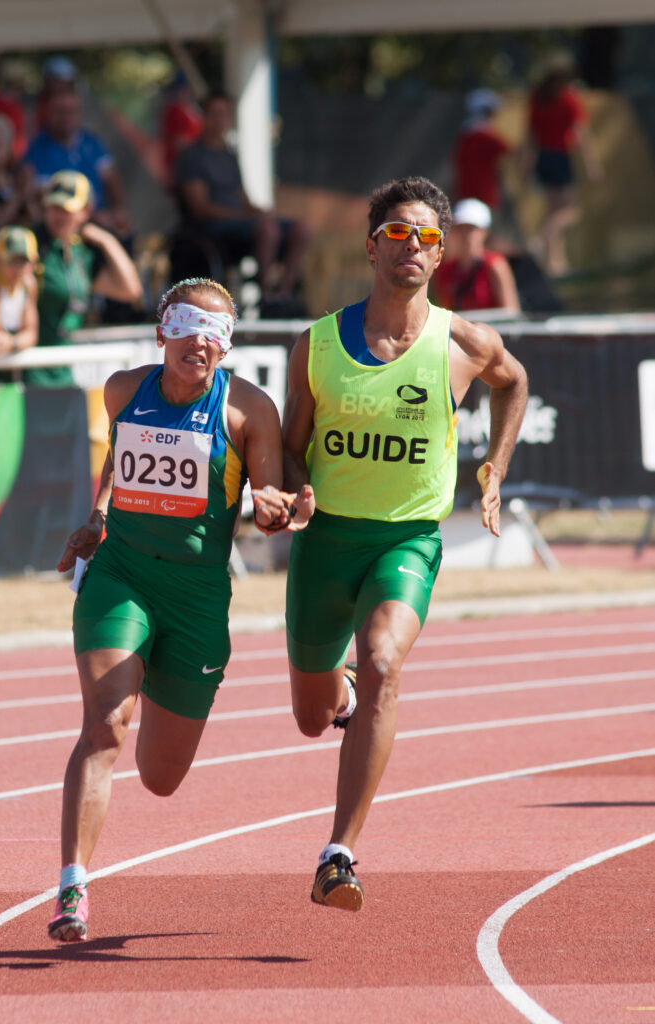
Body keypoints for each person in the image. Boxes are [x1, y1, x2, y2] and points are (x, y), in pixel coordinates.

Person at [280, 175, 528, 911]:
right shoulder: (316, 344)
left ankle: (338, 853)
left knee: (384, 658)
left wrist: (493, 469)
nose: (411, 247)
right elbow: (292, 447)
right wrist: (296, 488)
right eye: (397, 233)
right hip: (325, 544)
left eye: (426, 237)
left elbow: (512, 382)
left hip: (407, 540)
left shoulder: (463, 340)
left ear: (441, 252)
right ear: (370, 246)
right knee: (310, 714)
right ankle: (342, 690)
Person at [48, 276, 313, 942]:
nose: (201, 339)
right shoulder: (122, 389)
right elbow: (116, 459)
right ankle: (72, 886)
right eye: (189, 322)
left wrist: (270, 509)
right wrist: (96, 518)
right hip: (120, 576)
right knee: (106, 723)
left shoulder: (246, 410)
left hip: (196, 598)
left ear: (227, 345)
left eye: (217, 329)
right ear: (163, 327)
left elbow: (268, 494)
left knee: (162, 778)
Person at [173, 91, 310, 305]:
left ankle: (284, 294)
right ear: (204, 117)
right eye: (215, 114)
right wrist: (245, 215)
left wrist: (259, 211)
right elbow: (200, 208)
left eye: (225, 114)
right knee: (267, 229)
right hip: (211, 229)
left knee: (300, 229)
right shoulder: (191, 156)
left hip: (241, 224)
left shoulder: (229, 155)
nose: (221, 120)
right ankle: (266, 297)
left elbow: (242, 197)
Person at [27, 169, 142, 387]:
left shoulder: (82, 254)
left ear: (86, 211)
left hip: (64, 369)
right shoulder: (30, 245)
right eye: (53, 207)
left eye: (66, 208)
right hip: (26, 368)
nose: (58, 215)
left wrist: (106, 240)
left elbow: (130, 290)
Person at [524, 52, 602, 275]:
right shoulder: (568, 98)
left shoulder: (538, 97)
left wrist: (527, 166)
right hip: (558, 157)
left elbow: (531, 135)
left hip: (543, 158)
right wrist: (592, 165)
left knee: (554, 210)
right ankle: (543, 239)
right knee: (570, 211)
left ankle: (557, 262)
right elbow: (581, 134)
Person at [24, 90, 130, 237]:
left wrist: (117, 210)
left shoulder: (92, 143)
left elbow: (112, 178)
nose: (66, 117)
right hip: (61, 227)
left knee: (125, 234)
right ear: (49, 113)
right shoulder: (35, 150)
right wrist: (89, 217)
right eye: (60, 111)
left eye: (71, 111)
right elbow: (34, 197)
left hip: (99, 220)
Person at [432, 198, 520, 314]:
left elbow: (511, 312)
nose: (465, 235)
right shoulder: (444, 269)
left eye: (471, 229)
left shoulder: (495, 265)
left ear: (484, 232)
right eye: (460, 229)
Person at [0, 226, 39, 365]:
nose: (18, 268)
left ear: (33, 263)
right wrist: (18, 342)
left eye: (23, 260)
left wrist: (12, 343)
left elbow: (32, 335)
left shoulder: (29, 285)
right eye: (12, 260)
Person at [0, 114, 40, 251]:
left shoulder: (17, 175)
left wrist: (29, 193)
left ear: (9, 146)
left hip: (21, 243)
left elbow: (36, 218)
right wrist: (20, 194)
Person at [452, 88, 511, 212]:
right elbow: (507, 149)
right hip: (482, 189)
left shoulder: (467, 132)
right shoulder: (483, 134)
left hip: (467, 187)